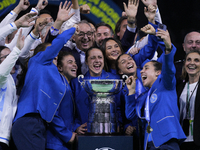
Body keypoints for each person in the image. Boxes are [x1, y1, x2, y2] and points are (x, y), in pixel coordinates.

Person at [11, 8, 77, 150]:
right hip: (29, 122)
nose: (54, 56)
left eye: (56, 57)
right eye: (52, 54)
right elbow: (53, 46)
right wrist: (71, 29)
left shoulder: (52, 76)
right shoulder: (37, 60)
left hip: (38, 124)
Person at [125, 24, 186, 150]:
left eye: (146, 68)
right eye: (142, 70)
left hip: (167, 141)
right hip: (150, 143)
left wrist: (168, 48)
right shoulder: (145, 95)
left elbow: (168, 68)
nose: (141, 71)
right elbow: (130, 115)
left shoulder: (165, 83)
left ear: (158, 72)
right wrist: (131, 92)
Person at [70, 47, 120, 134]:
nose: (97, 60)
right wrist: (76, 126)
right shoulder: (77, 83)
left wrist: (119, 123)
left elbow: (119, 105)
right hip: (85, 131)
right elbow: (71, 110)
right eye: (93, 58)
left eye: (100, 57)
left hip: (111, 131)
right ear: (86, 61)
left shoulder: (114, 79)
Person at [46, 51, 78, 150]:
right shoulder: (58, 84)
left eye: (75, 62)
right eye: (70, 62)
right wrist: (67, 135)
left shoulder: (67, 86)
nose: (75, 65)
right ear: (59, 67)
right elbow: (52, 113)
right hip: (55, 143)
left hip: (63, 144)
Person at [177, 50, 200, 150]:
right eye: (189, 60)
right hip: (181, 139)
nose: (192, 63)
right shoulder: (179, 87)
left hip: (198, 140)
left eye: (196, 60)